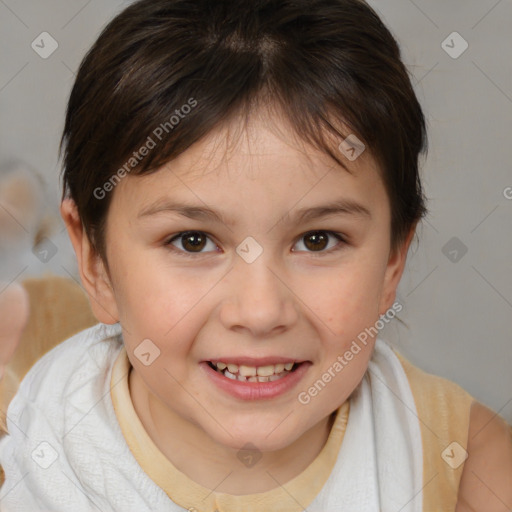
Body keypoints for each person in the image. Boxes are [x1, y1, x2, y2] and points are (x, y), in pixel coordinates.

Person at [0, 0, 511, 510]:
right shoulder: (29, 453)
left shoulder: (465, 470)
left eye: (318, 240)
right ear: (95, 264)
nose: (261, 311)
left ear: (392, 262)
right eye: (193, 241)